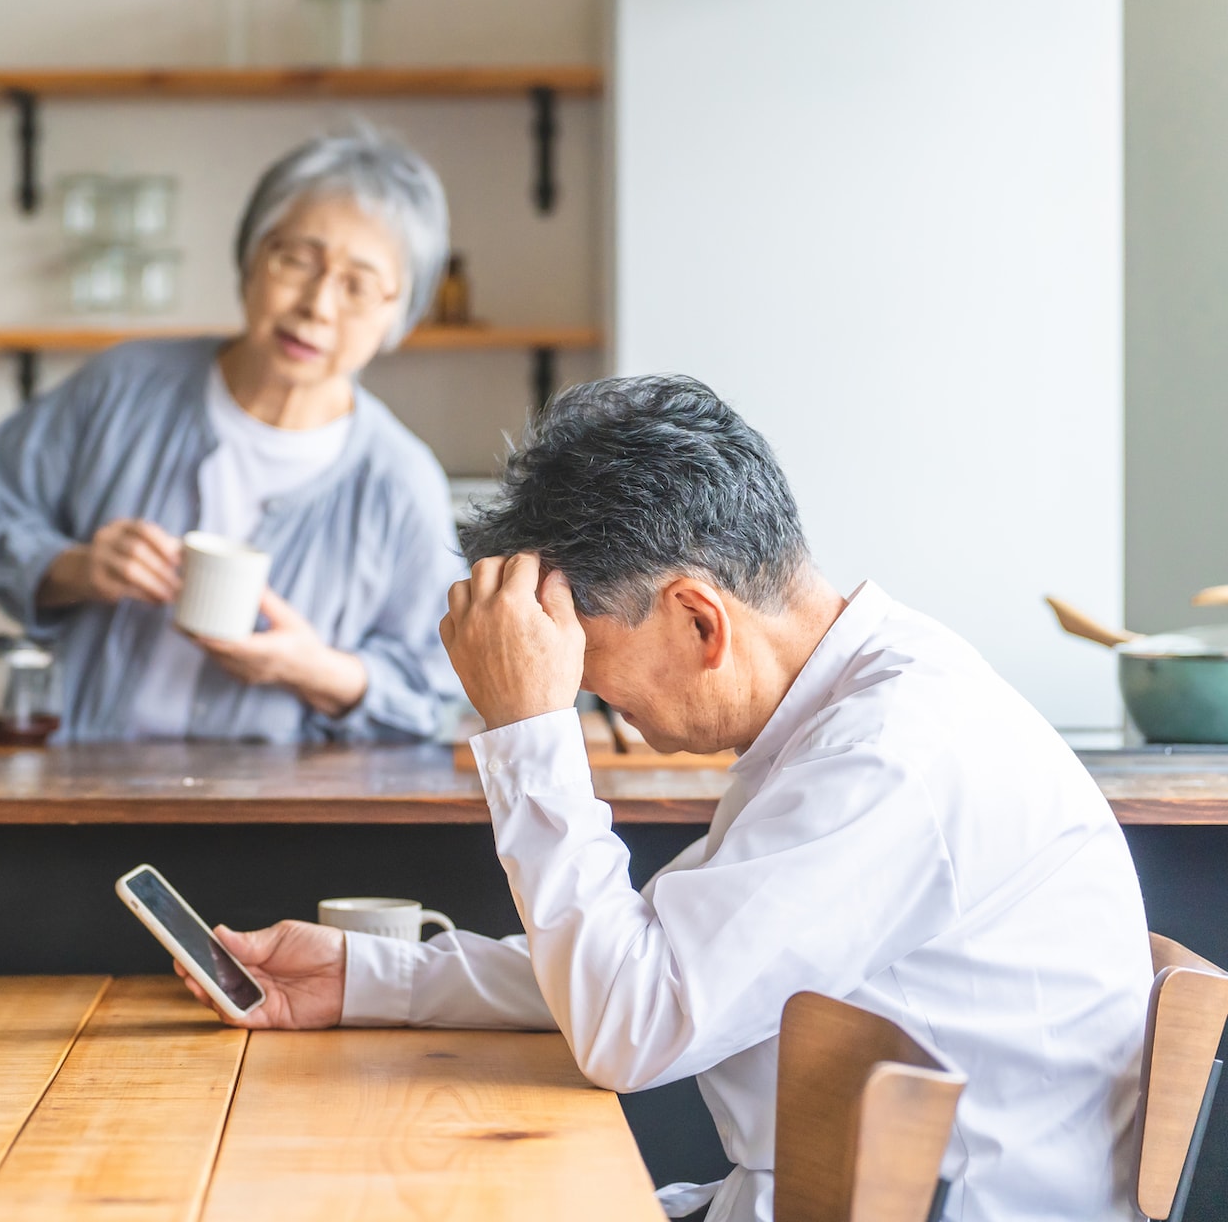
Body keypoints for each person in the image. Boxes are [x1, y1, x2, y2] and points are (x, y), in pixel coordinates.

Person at [174, 377, 1153, 1221]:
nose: (606, 706)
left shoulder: (895, 752)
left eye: (594, 672)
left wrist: (527, 732)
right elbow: (652, 963)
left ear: (697, 618)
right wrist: (363, 978)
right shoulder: (858, 708)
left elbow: (633, 1023)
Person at [0, 129, 463, 742]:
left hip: (272, 822)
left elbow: (432, 696)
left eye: (357, 284)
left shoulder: (401, 480)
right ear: (249, 259)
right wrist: (76, 566)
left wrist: (315, 670)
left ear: (397, 316)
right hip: (82, 793)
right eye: (295, 259)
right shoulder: (124, 386)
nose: (318, 305)